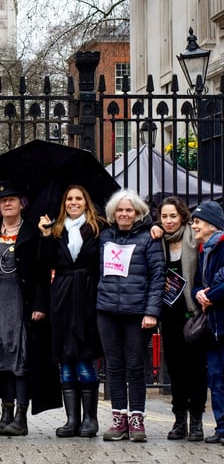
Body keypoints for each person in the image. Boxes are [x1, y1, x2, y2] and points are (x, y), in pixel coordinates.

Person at [0, 181, 61, 437]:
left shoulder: (33, 231)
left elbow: (44, 270)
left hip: (23, 304)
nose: (7, 203)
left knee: (21, 359)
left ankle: (21, 416)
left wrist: (41, 304)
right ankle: (6, 412)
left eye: (12, 198)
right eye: (2, 200)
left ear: (22, 203)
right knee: (0, 360)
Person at [97, 189, 165, 443]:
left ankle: (137, 420)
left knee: (135, 367)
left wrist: (151, 312)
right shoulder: (104, 237)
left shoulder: (150, 238)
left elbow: (158, 277)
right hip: (107, 311)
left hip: (137, 313)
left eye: (129, 210)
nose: (124, 214)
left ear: (138, 213)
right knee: (113, 367)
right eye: (120, 210)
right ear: (113, 214)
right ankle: (119, 420)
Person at [37, 186, 104, 438]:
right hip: (62, 298)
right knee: (65, 361)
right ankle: (71, 419)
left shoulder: (98, 229)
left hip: (87, 296)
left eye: (78, 199)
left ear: (86, 202)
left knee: (85, 359)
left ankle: (90, 419)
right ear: (64, 203)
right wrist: (44, 236)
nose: (73, 203)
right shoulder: (56, 230)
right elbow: (44, 263)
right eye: (69, 199)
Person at [153, 197, 206, 441]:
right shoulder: (157, 241)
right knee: (174, 370)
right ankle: (179, 420)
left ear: (182, 216)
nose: (169, 221)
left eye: (173, 216)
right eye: (164, 216)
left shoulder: (194, 239)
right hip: (169, 314)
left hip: (192, 313)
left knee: (195, 369)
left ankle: (196, 421)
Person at [190, 200, 224, 443]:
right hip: (213, 327)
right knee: (215, 378)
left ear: (212, 224)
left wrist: (208, 296)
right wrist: (199, 294)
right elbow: (197, 284)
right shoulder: (204, 251)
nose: (193, 226)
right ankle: (222, 429)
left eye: (198, 221)